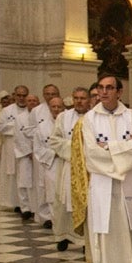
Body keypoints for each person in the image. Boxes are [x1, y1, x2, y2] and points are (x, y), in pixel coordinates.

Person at [81, 74, 132, 263]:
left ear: (119, 92)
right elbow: (91, 155)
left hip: (129, 186)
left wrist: (110, 148)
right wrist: (123, 150)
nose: (104, 92)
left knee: (131, 237)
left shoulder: (131, 117)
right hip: (103, 187)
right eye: (101, 88)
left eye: (110, 88)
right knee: (108, 241)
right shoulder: (90, 119)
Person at [50, 86, 89, 253]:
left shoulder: (93, 118)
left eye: (82, 98)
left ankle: (83, 241)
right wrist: (75, 149)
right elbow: (54, 140)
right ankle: (63, 236)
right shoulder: (63, 117)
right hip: (68, 166)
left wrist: (84, 151)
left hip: (87, 168)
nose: (79, 101)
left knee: (84, 203)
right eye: (76, 98)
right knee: (63, 203)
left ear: (88, 100)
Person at [30, 87, 59, 229]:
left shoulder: (68, 122)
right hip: (48, 163)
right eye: (53, 107)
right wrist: (55, 153)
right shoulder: (41, 125)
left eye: (59, 107)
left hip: (67, 164)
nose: (56, 109)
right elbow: (38, 147)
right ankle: (48, 218)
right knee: (47, 191)